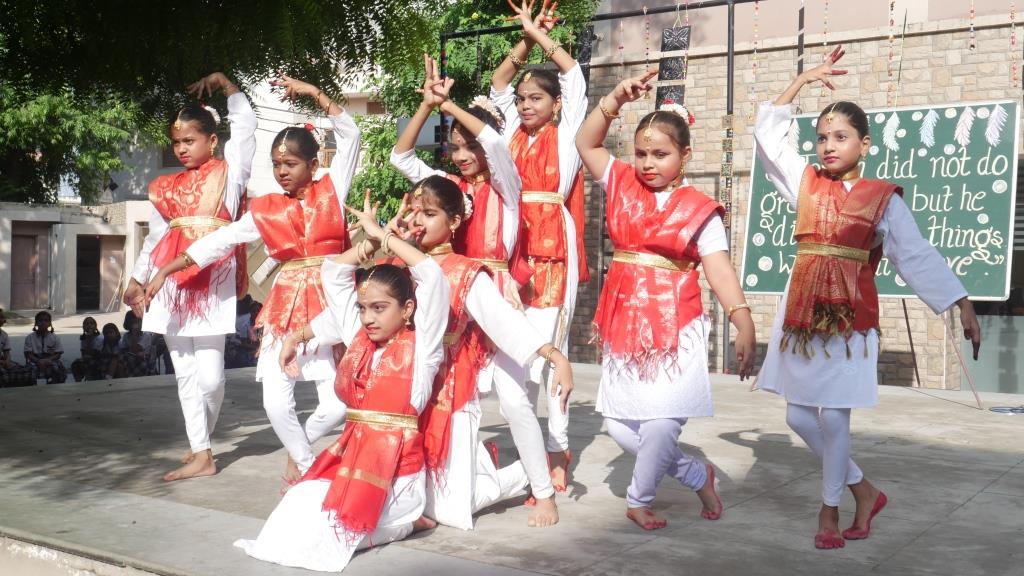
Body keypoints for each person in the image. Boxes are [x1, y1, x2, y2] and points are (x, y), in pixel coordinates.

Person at [752, 45, 982, 549]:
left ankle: (830, 510)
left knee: (834, 417)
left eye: (841, 137)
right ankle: (865, 489)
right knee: (797, 416)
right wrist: (803, 81)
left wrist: (960, 301)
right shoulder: (806, 183)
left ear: (865, 143)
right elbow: (768, 135)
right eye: (821, 137)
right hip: (800, 314)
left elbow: (914, 255)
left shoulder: (882, 198)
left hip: (849, 318)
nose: (828, 146)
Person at [145, 74, 360, 485]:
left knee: (336, 403)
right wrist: (167, 270)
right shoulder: (267, 209)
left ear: (314, 166)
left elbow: (351, 135)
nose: (282, 172)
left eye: (290, 164)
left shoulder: (333, 190)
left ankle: (300, 455)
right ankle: (304, 464)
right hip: (285, 306)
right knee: (275, 401)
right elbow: (221, 240)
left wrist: (315, 94)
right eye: (277, 165)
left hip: (332, 301)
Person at [576, 70, 756, 531]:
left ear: (685, 155)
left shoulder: (700, 209)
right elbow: (586, 143)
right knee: (620, 427)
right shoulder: (620, 182)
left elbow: (718, 269)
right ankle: (696, 474)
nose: (648, 163)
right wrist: (615, 98)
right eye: (641, 153)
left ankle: (638, 500)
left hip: (677, 324)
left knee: (660, 425)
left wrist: (742, 319)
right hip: (624, 321)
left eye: (660, 154)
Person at [233, 189, 448, 572]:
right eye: (363, 308)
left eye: (379, 308)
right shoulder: (358, 338)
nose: (368, 318)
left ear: (407, 309)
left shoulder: (424, 347)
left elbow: (431, 275)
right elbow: (332, 272)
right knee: (296, 507)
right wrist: (368, 244)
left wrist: (385, 237)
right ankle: (397, 522)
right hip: (351, 457)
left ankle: (408, 521)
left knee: (341, 532)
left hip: (398, 471)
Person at [393, 58, 564, 524]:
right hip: (453, 301)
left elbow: (493, 142)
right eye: (455, 147)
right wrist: (427, 107)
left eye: (469, 145)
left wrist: (451, 106)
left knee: (512, 398)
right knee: (439, 395)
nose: (463, 154)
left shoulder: (507, 185)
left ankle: (542, 489)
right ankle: (443, 480)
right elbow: (401, 159)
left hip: (494, 298)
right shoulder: (450, 189)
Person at [391, 178, 574, 529]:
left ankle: (536, 485)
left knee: (450, 510)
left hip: (450, 379)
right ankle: (479, 469)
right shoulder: (400, 264)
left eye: (429, 213)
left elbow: (504, 321)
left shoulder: (465, 271)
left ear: (454, 221)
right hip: (407, 377)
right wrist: (383, 236)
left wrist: (555, 356)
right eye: (413, 211)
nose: (417, 220)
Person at [123, 71, 257, 481]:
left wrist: (227, 84)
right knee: (185, 374)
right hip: (167, 286)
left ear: (212, 140)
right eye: (177, 142)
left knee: (212, 380)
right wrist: (136, 279)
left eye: (189, 140)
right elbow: (155, 239)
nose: (181, 148)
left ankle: (203, 440)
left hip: (212, 284)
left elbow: (246, 128)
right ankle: (202, 451)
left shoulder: (230, 174)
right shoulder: (165, 187)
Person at [488, 0, 587, 494]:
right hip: (512, 251)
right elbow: (499, 84)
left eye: (536, 98)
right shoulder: (510, 131)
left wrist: (544, 39)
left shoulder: (568, 134)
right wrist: (524, 38)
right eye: (524, 99)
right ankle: (529, 446)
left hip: (553, 256)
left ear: (556, 104)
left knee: (551, 355)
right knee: (515, 356)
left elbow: (575, 77)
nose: (526, 105)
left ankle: (557, 447)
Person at [23, 311, 68, 384]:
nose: (43, 322)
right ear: (36, 323)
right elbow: (28, 354)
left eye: (46, 320)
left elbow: (58, 354)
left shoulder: (55, 338)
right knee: (30, 371)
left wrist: (48, 360)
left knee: (57, 369)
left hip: (51, 360)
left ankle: (55, 386)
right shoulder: (30, 338)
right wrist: (38, 361)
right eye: (40, 320)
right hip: (35, 360)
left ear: (50, 324)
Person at [0, 308, 34, 387]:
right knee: (3, 374)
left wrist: (7, 361)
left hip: (2, 361)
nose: (3, 319)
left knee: (23, 372)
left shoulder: (4, 335)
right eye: (0, 317)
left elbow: (7, 352)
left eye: (2, 317)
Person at [119, 311, 156, 377]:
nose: (135, 325)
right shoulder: (126, 336)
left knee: (135, 358)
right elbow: (123, 349)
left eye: (137, 322)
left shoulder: (146, 335)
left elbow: (135, 349)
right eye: (133, 322)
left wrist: (134, 333)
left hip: (143, 361)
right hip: (129, 360)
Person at [71, 316, 103, 381]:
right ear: (83, 327)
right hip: (88, 359)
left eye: (91, 323)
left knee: (91, 364)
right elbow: (83, 354)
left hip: (99, 359)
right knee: (75, 364)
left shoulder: (99, 338)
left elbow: (97, 354)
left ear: (95, 326)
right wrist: (88, 339)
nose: (89, 325)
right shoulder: (84, 339)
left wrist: (90, 340)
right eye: (87, 324)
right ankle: (78, 380)